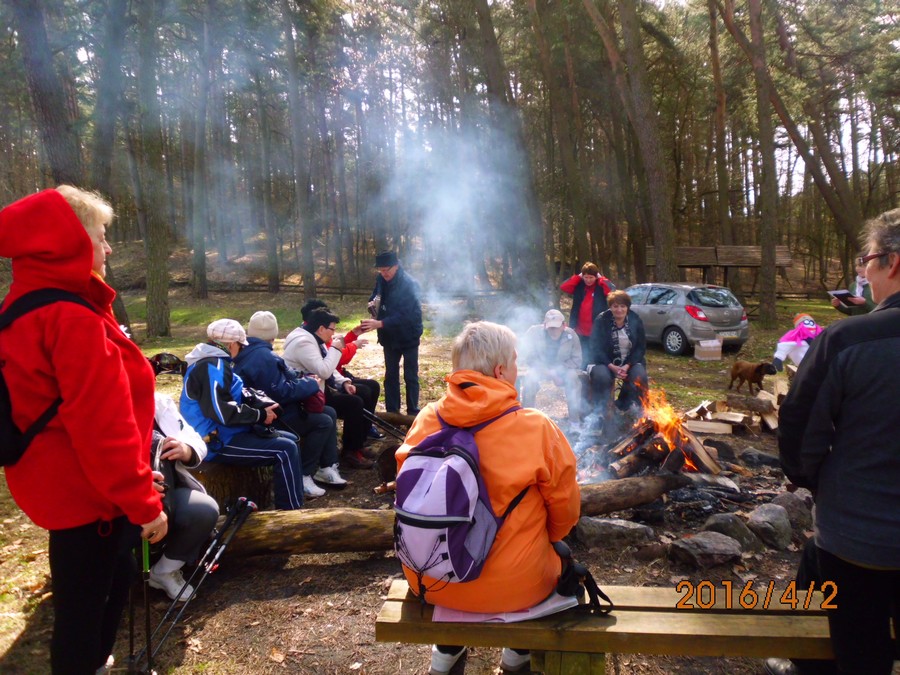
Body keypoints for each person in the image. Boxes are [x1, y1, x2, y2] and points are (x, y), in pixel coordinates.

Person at [0, 186, 167, 674]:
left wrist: (135, 479)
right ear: (68, 241)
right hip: (85, 493)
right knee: (83, 613)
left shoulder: (29, 304)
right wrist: (143, 503)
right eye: (101, 235)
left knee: (99, 590)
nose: (108, 248)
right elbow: (101, 426)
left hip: (66, 485)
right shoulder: (72, 317)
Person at [395, 321, 580, 675]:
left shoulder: (427, 419)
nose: (518, 368)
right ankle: (516, 660)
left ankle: (445, 656)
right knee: (550, 556)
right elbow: (566, 512)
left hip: (431, 579)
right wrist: (546, 539)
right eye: (515, 361)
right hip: (517, 587)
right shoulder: (536, 427)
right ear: (500, 371)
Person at [778, 208, 900, 675]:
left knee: (862, 657)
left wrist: (814, 479)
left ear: (892, 262)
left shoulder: (847, 340)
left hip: (859, 540)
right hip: (855, 533)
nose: (864, 273)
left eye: (866, 261)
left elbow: (799, 425)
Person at [181, 318, 305, 510]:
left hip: (226, 433)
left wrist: (258, 404)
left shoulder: (213, 361)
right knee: (285, 450)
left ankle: (286, 498)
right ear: (232, 344)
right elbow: (221, 412)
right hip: (215, 441)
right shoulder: (211, 367)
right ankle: (290, 511)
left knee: (290, 439)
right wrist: (259, 415)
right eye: (241, 345)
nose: (242, 349)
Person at [234, 310, 346, 498]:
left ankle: (326, 466)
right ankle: (303, 475)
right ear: (273, 334)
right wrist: (310, 384)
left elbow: (283, 376)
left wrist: (302, 378)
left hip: (267, 410)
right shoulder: (263, 356)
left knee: (329, 412)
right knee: (323, 422)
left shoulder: (254, 351)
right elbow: (280, 393)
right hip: (269, 417)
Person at [147, 390, 220, 602]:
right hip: (116, 500)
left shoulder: (158, 402)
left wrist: (186, 449)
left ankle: (164, 571)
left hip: (168, 491)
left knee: (203, 510)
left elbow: (195, 440)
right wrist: (134, 484)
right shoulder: (97, 404)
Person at [283, 308, 375, 469]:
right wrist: (336, 349)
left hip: (316, 390)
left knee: (365, 392)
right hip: (306, 398)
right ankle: (351, 452)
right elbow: (324, 370)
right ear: (321, 328)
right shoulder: (304, 343)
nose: (333, 334)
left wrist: (344, 382)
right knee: (354, 403)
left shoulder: (313, 339)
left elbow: (329, 368)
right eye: (332, 329)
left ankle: (357, 445)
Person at [300, 299, 384, 439]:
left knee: (372, 386)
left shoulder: (316, 332)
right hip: (325, 385)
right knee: (361, 395)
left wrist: (353, 334)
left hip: (336, 376)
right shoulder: (309, 338)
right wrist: (354, 345)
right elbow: (337, 356)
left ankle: (365, 430)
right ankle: (357, 439)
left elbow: (336, 347)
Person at [360, 250, 423, 416]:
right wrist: (372, 305)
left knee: (410, 376)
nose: (384, 273)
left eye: (386, 270)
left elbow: (406, 315)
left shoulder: (410, 284)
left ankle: (412, 412)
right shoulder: (381, 279)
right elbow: (375, 295)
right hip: (389, 337)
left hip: (408, 335)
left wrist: (380, 323)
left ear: (396, 266)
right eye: (380, 270)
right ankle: (392, 412)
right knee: (391, 375)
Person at [588, 289, 649, 418]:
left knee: (639, 374)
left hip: (629, 362)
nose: (619, 310)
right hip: (605, 362)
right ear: (610, 307)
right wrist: (611, 366)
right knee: (601, 376)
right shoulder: (601, 320)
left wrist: (627, 365)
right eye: (615, 306)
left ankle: (631, 409)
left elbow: (640, 347)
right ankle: (600, 412)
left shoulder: (635, 319)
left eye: (622, 306)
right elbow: (595, 347)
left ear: (627, 307)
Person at [519, 308, 586, 423]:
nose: (553, 330)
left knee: (572, 378)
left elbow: (577, 359)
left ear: (564, 325)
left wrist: (558, 370)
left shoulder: (571, 335)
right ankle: (528, 420)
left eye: (556, 326)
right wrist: (548, 372)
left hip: (564, 368)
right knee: (530, 379)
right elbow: (528, 357)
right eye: (550, 327)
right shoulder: (534, 332)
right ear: (545, 325)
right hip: (540, 368)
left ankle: (575, 421)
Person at [560, 262, 615, 368]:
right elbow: (564, 286)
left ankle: (595, 373)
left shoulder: (600, 286)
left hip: (597, 329)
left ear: (596, 277)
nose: (588, 280)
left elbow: (612, 290)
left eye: (591, 277)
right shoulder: (579, 286)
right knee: (581, 354)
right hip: (580, 329)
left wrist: (601, 278)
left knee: (594, 355)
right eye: (586, 277)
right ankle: (582, 374)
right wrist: (579, 276)